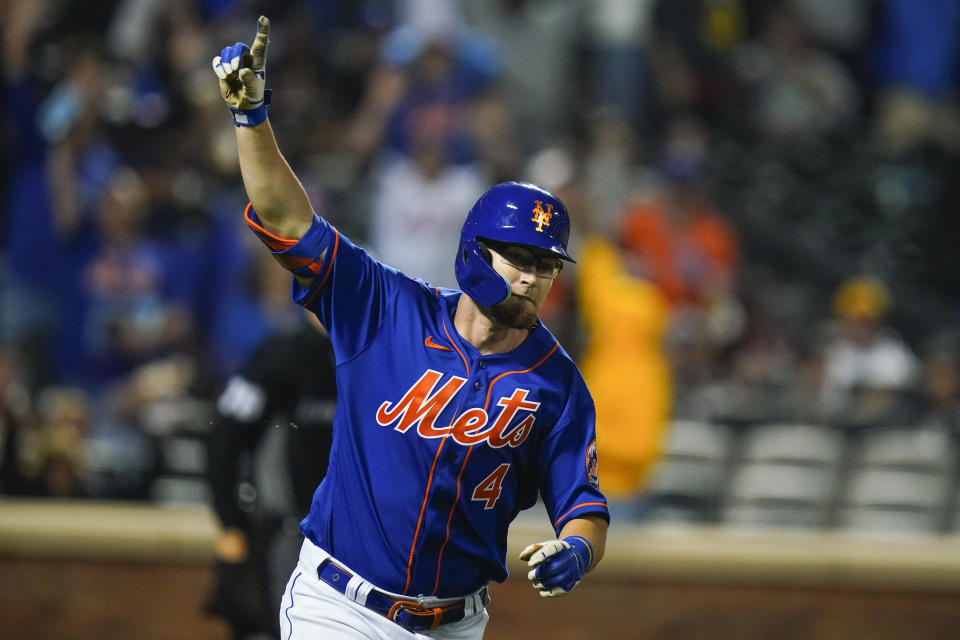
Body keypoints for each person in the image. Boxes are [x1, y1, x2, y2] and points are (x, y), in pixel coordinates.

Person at [211, 16, 608, 639]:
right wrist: (252, 118)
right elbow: (286, 220)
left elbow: (583, 504)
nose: (534, 278)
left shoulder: (557, 383)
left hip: (454, 622)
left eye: (547, 265)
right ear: (476, 253)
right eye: (521, 259)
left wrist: (579, 550)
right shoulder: (385, 307)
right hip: (339, 607)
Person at [205, 313, 338, 639]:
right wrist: (232, 521)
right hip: (285, 533)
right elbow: (224, 436)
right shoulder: (280, 356)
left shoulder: (368, 357)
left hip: (347, 540)